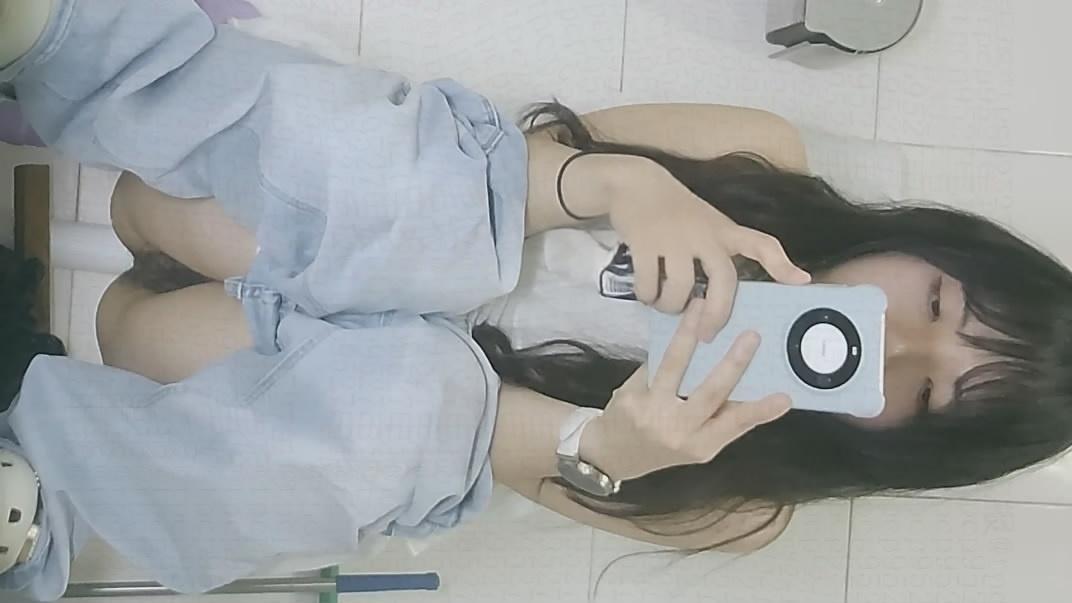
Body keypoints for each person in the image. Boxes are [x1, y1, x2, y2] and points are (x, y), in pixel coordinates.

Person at [2, 0, 1072, 599]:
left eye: (920, 395)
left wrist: (615, 450)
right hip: (360, 225)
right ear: (926, 245)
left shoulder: (745, 494)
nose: (892, 349)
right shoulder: (764, 160)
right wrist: (627, 184)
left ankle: (40, 495)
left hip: (365, 389)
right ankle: (62, 38)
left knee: (204, 351)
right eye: (932, 303)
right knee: (308, 202)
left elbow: (504, 461)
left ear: (907, 449)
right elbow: (513, 158)